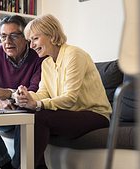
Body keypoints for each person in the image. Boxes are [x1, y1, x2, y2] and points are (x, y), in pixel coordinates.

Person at [16, 14, 112, 169]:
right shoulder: (46, 63)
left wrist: (38, 104)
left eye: (35, 39)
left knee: (39, 117)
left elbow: (70, 98)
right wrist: (26, 97)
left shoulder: (74, 55)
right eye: (30, 41)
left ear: (52, 35)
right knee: (26, 113)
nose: (31, 45)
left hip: (95, 114)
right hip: (70, 113)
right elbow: (43, 93)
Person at [0, 15, 45, 169]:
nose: (7, 42)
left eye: (14, 35)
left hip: (24, 112)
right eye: (3, 36)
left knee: (28, 116)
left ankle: (19, 165)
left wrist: (9, 95)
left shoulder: (39, 57)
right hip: (1, 114)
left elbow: (35, 92)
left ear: (26, 37)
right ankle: (2, 165)